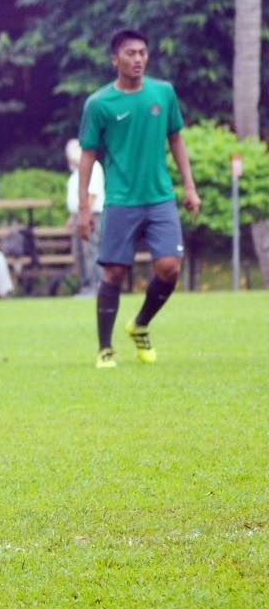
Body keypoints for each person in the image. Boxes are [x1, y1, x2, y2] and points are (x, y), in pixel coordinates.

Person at [77, 27, 201, 367]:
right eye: (130, 54)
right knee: (114, 272)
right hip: (120, 200)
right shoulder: (99, 103)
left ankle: (140, 324)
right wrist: (84, 208)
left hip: (160, 197)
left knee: (169, 267)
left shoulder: (163, 93)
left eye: (143, 53)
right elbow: (88, 156)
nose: (138, 59)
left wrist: (189, 187)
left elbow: (176, 139)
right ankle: (105, 348)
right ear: (115, 59)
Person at [64, 138, 105, 297]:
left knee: (91, 251)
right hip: (77, 216)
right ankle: (86, 286)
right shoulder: (75, 172)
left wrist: (84, 214)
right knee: (79, 254)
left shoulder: (93, 167)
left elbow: (92, 195)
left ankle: (97, 285)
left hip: (91, 216)